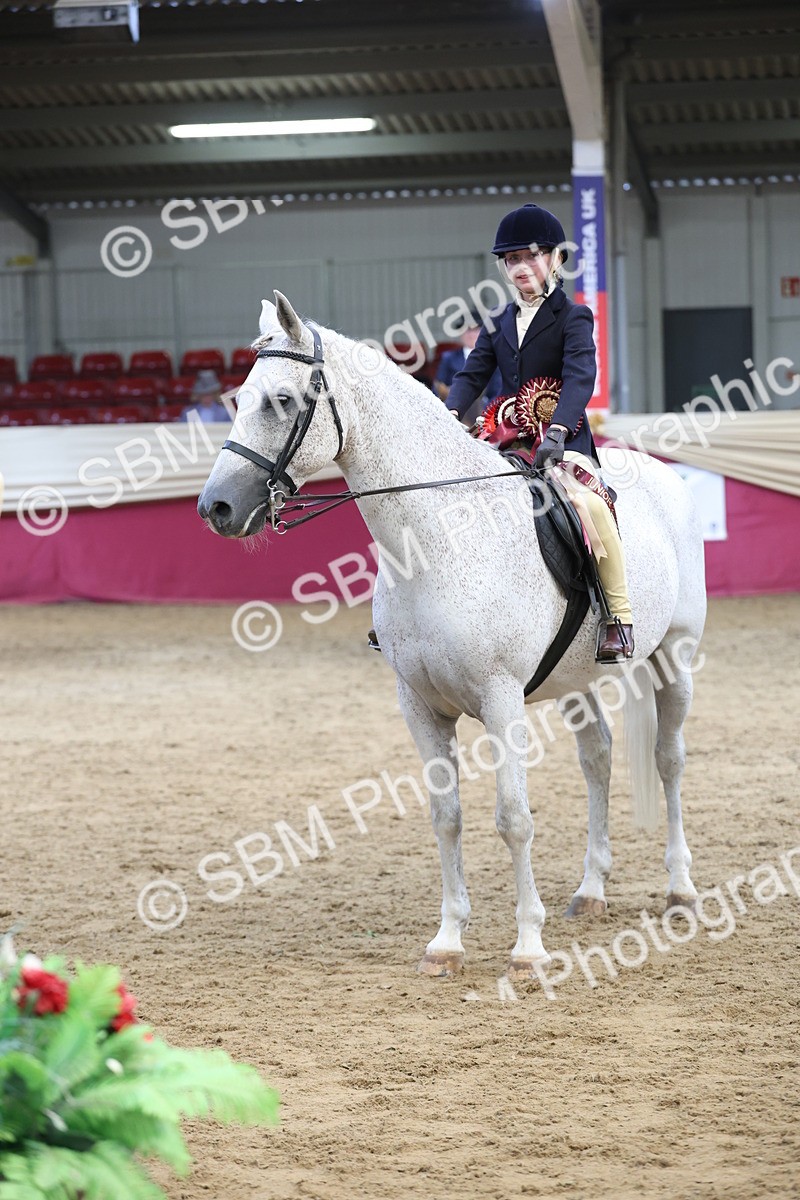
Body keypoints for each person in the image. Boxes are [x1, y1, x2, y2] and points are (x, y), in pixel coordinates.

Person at [446, 203, 634, 662]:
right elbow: (472, 377)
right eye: (511, 260)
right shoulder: (496, 322)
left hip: (561, 441)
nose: (520, 267)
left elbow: (578, 379)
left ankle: (618, 617)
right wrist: (445, 418)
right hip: (504, 436)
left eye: (530, 256)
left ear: (554, 259)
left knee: (588, 505)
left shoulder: (575, 318)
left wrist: (556, 432)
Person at [434, 311, 502, 424]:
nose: (471, 334)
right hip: (453, 413)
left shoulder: (493, 359)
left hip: (483, 415)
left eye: (475, 330)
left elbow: (497, 392)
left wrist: (487, 414)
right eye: (467, 330)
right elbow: (437, 387)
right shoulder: (448, 358)